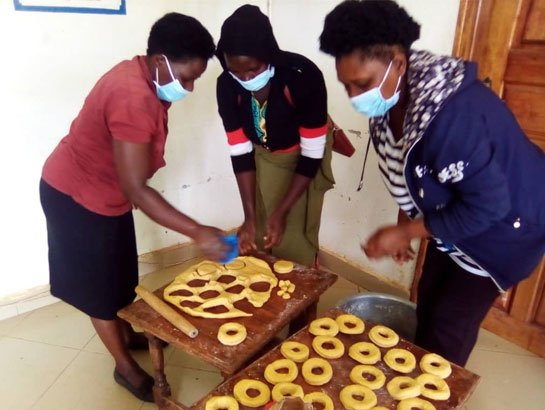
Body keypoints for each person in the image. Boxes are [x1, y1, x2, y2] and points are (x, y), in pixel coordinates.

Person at [319, 0, 545, 366]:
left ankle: (438, 390)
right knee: (429, 299)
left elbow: (488, 205)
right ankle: (420, 373)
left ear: (400, 62)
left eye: (361, 84)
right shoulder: (390, 105)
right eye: (346, 86)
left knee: (449, 325)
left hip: (506, 226)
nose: (354, 97)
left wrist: (409, 230)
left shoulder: (452, 118)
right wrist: (403, 224)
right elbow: (406, 168)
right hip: (457, 216)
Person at [39, 13, 230, 401]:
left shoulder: (145, 77)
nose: (190, 88)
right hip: (76, 196)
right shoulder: (132, 95)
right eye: (188, 77)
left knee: (121, 273)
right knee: (99, 289)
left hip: (108, 196)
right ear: (160, 61)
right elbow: (137, 189)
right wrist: (198, 232)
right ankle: (124, 366)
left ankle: (128, 331)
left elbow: (131, 180)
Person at [216, 5, 335, 267]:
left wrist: (282, 211)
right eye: (236, 71)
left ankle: (305, 297)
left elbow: (312, 152)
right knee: (260, 229)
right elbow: (240, 151)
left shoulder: (302, 76)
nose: (245, 77)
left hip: (301, 159)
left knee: (294, 238)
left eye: (254, 69)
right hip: (262, 157)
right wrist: (249, 217)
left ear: (269, 56)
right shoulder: (226, 85)